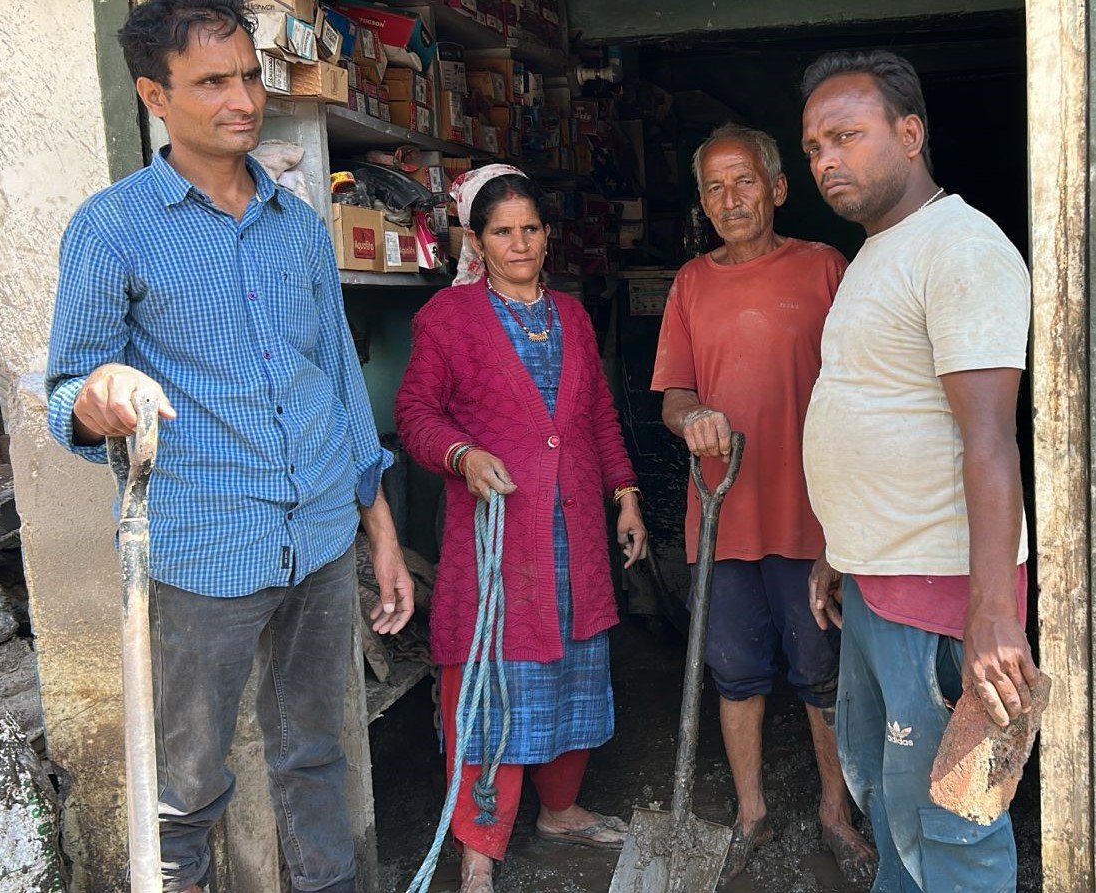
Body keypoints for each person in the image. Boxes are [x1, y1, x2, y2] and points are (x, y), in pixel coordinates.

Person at [44, 3, 414, 891]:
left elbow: (338, 384)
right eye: (213, 82)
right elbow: (67, 392)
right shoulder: (112, 228)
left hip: (319, 535)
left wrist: (381, 535)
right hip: (203, 549)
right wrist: (101, 397)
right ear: (154, 97)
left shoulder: (297, 225)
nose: (243, 99)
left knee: (316, 751)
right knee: (187, 784)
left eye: (248, 75)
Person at [800, 49, 1037, 892]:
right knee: (889, 799)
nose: (825, 159)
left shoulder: (960, 246)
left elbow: (990, 440)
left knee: (955, 820)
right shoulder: (878, 250)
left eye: (844, 136)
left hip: (944, 597)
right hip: (879, 582)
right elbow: (880, 411)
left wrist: (992, 614)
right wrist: (840, 545)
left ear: (908, 134)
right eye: (813, 146)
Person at [394, 165, 648, 893]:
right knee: (490, 685)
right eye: (502, 232)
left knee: (571, 672)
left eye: (530, 228)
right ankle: (479, 848)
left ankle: (559, 811)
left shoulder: (571, 315)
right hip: (497, 540)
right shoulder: (449, 317)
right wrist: (462, 454)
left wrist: (625, 495)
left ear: (545, 234)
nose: (520, 243)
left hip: (574, 536)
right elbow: (415, 413)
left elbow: (597, 418)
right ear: (477, 242)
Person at [649, 122, 876, 885]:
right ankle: (751, 812)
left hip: (813, 517)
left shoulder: (823, 267)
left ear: (777, 188)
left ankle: (835, 811)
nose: (729, 199)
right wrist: (689, 415)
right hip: (721, 517)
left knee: (821, 672)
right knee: (733, 671)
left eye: (743, 180)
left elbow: (866, 381)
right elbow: (673, 393)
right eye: (712, 187)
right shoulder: (689, 282)